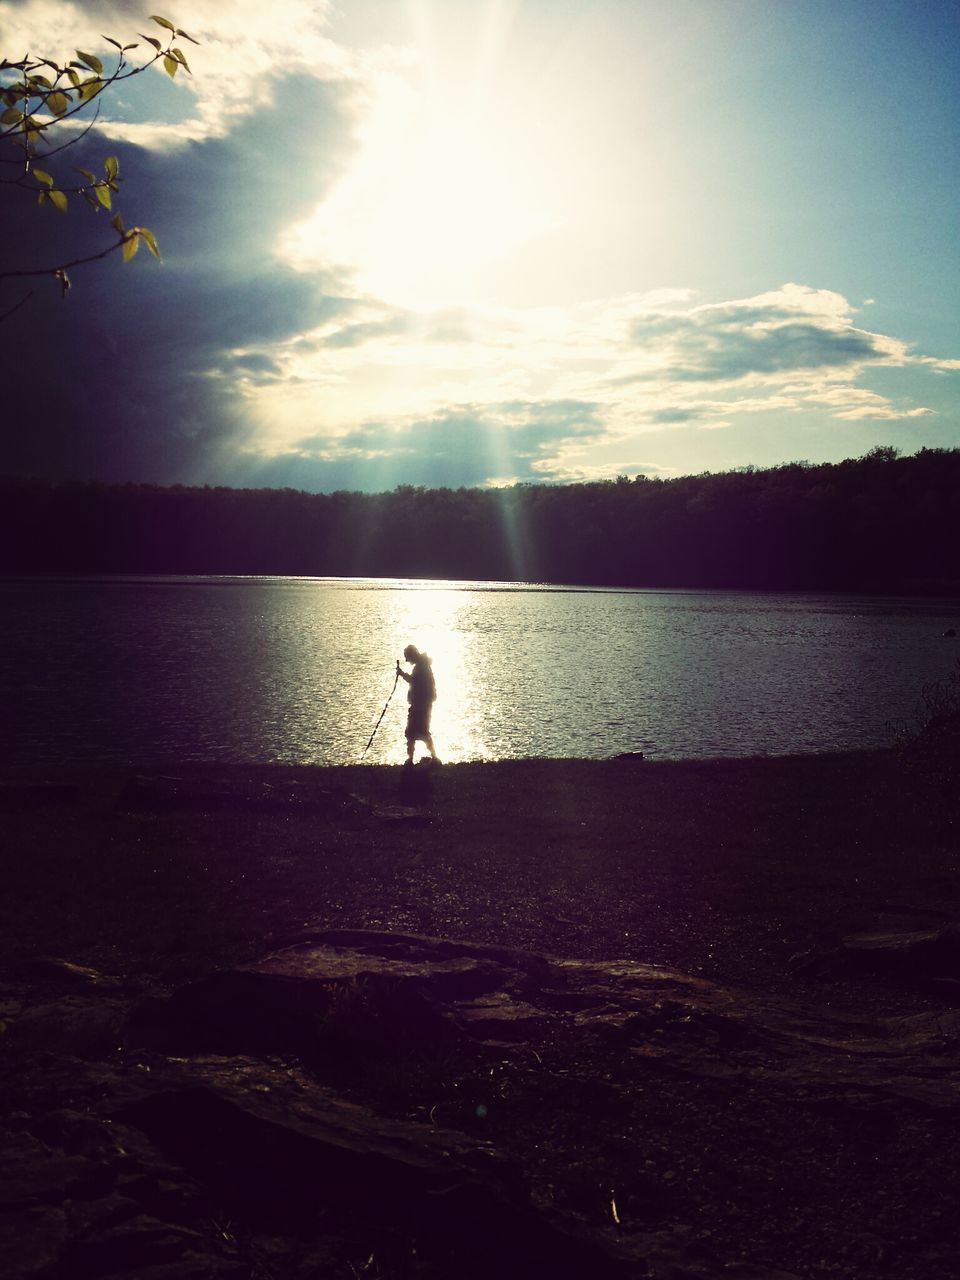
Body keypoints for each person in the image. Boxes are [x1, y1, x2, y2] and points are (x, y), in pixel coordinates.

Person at [397, 644, 440, 764]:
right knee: (419, 731)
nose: (406, 660)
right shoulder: (423, 665)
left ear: (412, 655)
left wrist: (402, 674)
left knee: (414, 731)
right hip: (422, 704)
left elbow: (414, 681)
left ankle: (424, 758)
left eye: (407, 657)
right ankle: (432, 758)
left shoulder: (421, 667)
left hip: (420, 705)